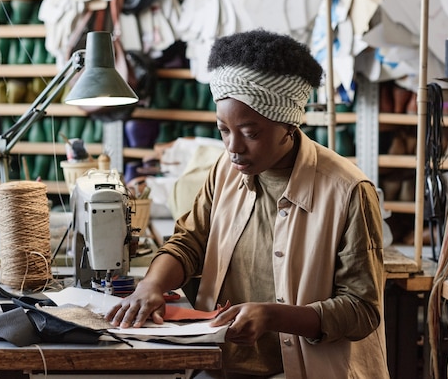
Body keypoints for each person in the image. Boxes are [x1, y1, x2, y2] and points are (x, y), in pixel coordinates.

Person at [106, 29, 389, 378]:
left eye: (251, 133)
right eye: (223, 130)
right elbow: (189, 242)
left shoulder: (347, 190)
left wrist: (273, 316)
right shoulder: (225, 170)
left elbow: (361, 310)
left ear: (288, 125)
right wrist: (151, 286)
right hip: (218, 363)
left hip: (302, 370)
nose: (233, 147)